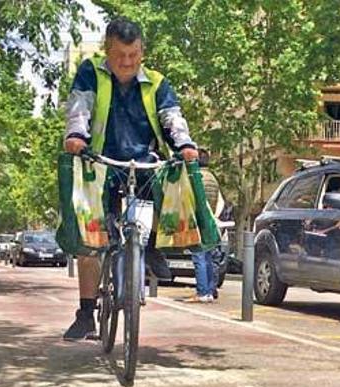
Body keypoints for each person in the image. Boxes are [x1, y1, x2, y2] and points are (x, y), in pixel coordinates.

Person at [63, 18, 200, 340]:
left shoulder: (157, 83)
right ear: (107, 51)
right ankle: (85, 313)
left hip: (143, 162)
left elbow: (172, 118)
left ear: (142, 51)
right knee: (90, 242)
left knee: (169, 186)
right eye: (120, 55)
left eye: (134, 54)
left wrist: (185, 144)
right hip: (98, 163)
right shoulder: (90, 72)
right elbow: (80, 107)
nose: (127, 62)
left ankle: (150, 246)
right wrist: (75, 136)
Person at [185, 149, 224, 303]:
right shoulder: (213, 178)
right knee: (208, 257)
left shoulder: (196, 177)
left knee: (199, 256)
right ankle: (208, 291)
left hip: (199, 220)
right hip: (210, 220)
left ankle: (202, 292)